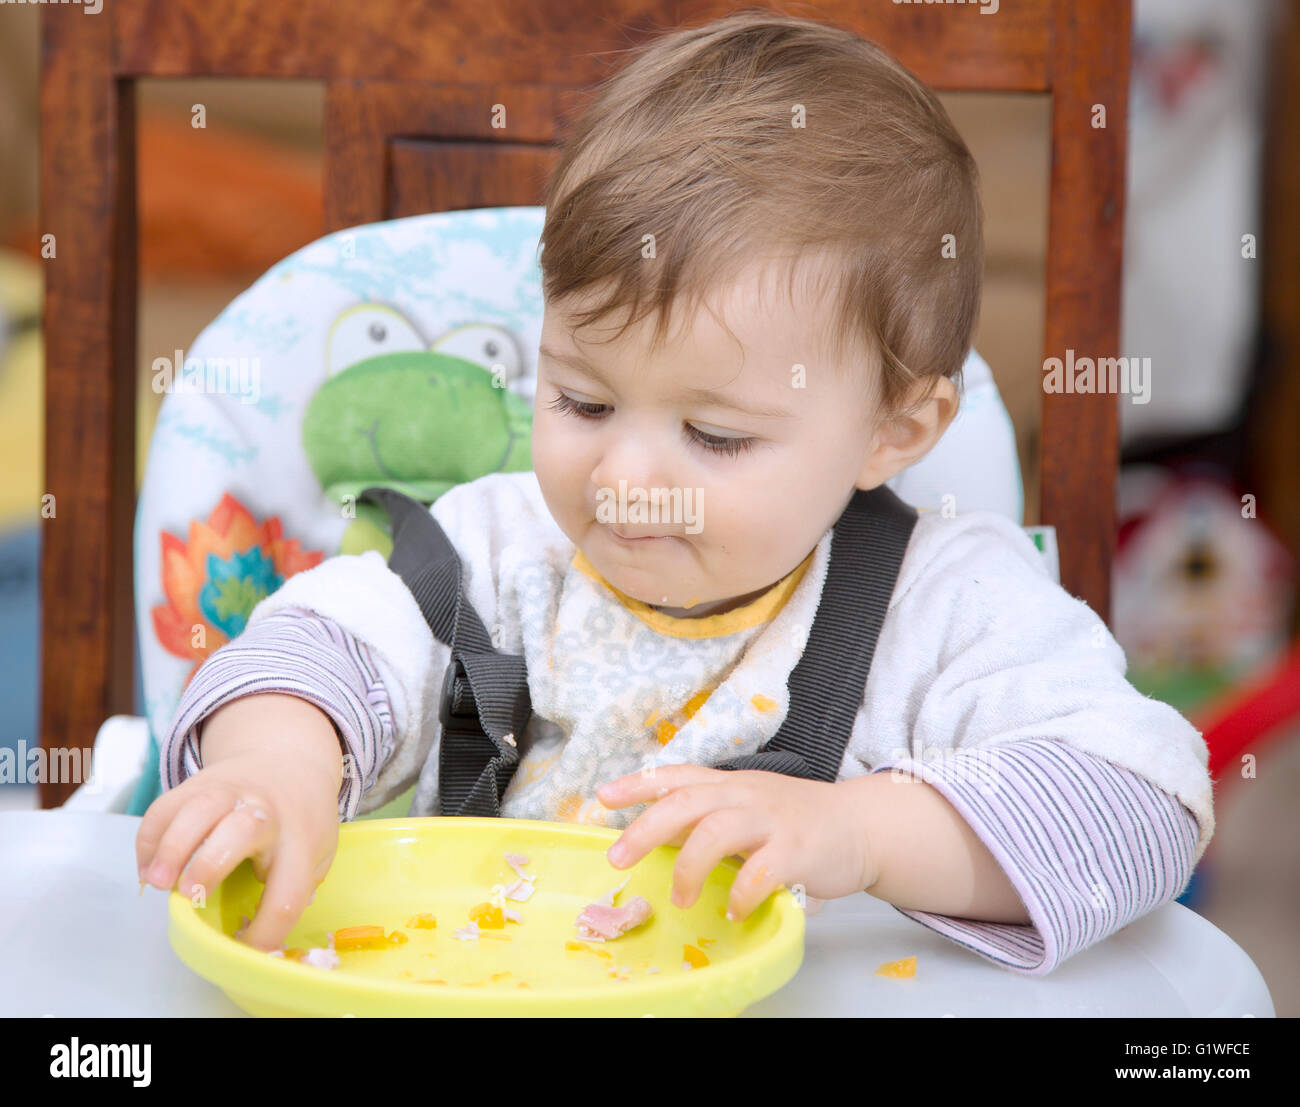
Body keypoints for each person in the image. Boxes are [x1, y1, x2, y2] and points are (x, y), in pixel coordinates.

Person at [136, 11, 1213, 976]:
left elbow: (1143, 800)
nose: (624, 478)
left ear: (894, 430)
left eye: (713, 434)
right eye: (583, 402)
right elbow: (311, 651)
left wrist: (863, 834)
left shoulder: (940, 607)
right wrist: (272, 767)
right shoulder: (493, 552)